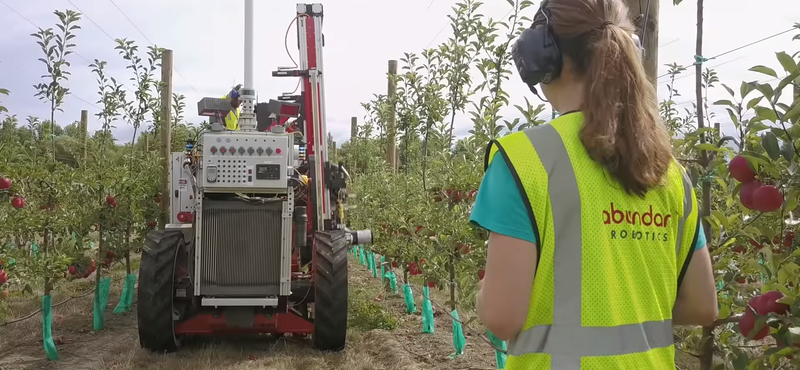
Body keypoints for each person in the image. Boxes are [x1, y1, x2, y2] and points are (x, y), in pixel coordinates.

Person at [470, 0, 718, 368]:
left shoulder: (522, 160)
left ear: (543, 56)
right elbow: (701, 305)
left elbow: (502, 317)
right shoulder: (668, 171)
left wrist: (482, 295)